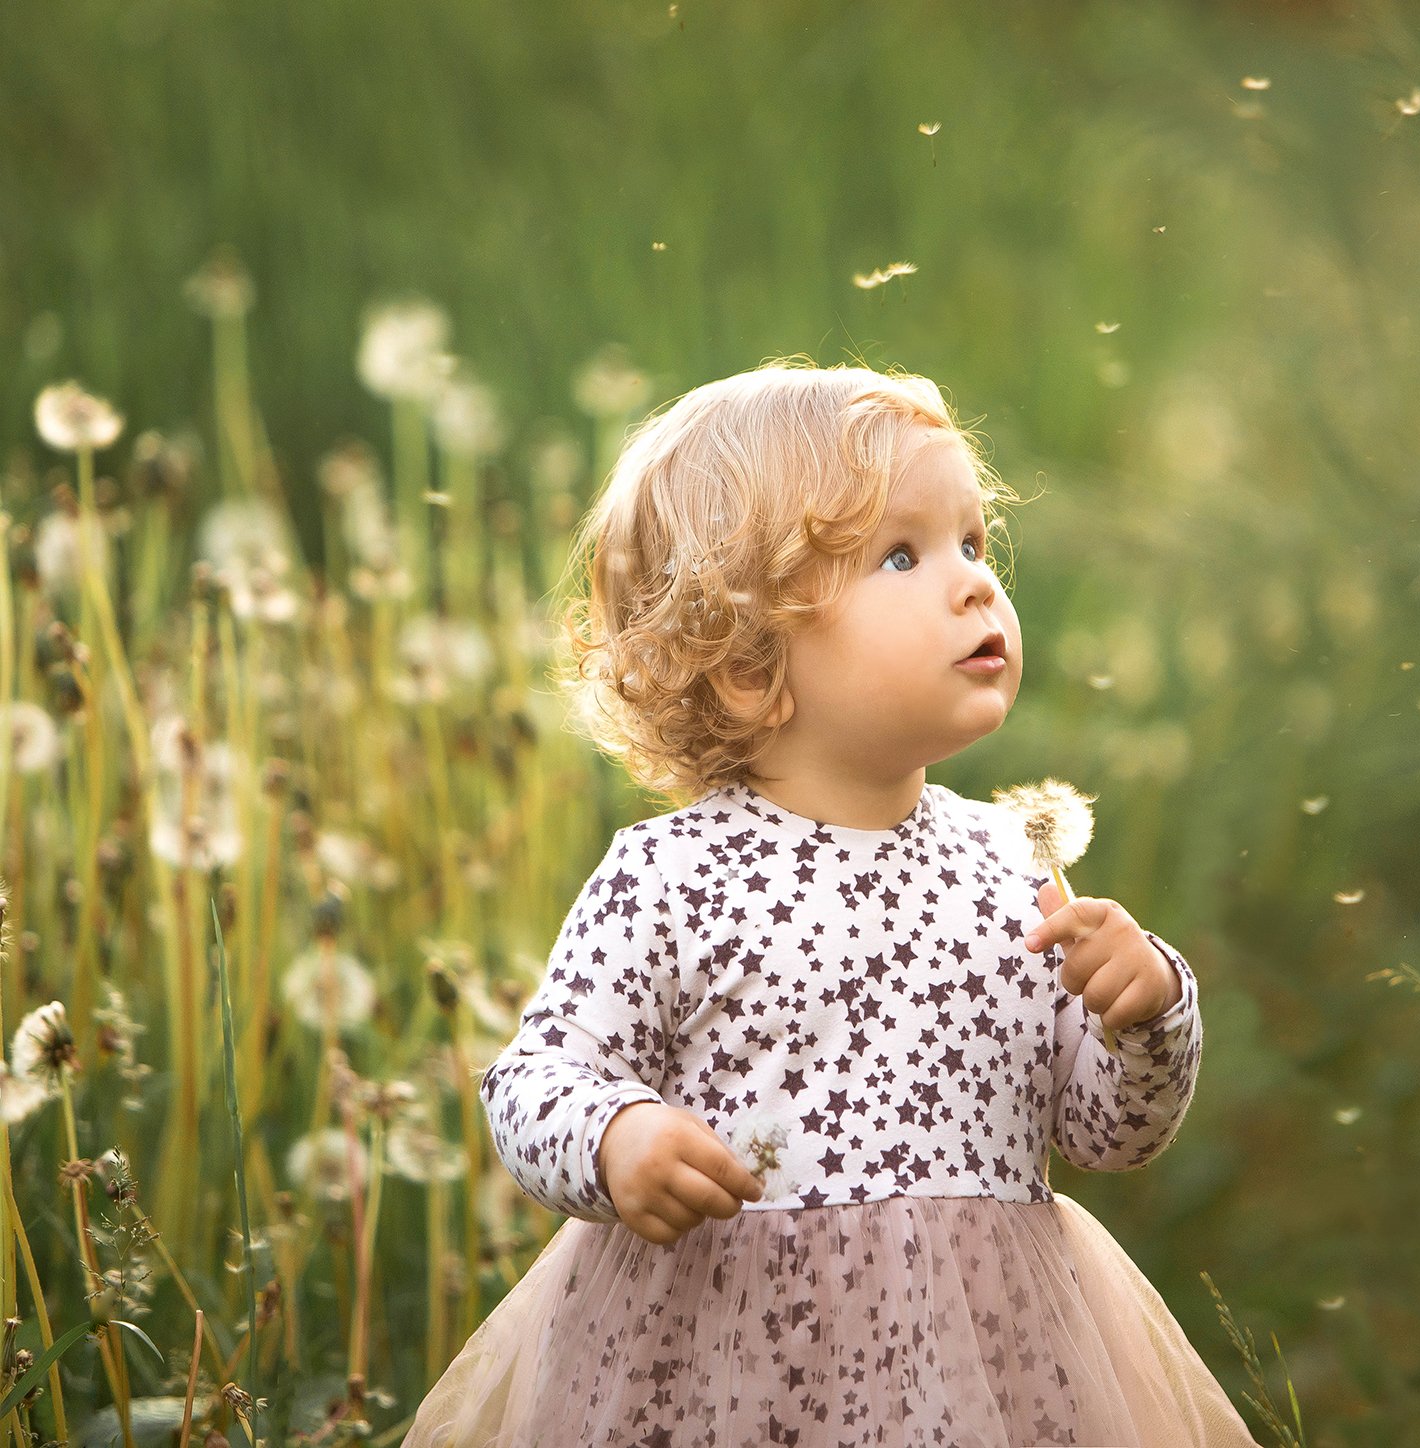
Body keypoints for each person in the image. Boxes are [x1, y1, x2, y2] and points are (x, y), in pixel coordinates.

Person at [402, 359, 1261, 1447]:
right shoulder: (672, 873)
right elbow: (533, 1079)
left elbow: (1103, 1131)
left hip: (982, 1365)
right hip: (724, 1359)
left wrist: (1146, 1016)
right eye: (901, 555)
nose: (973, 584)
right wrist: (616, 1134)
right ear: (748, 660)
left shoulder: (1010, 863)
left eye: (973, 542)